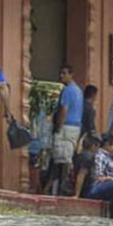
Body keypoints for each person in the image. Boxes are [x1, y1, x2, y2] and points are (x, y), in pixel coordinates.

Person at [74, 134, 113, 219]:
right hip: (92, 189)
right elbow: (83, 175)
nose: (98, 150)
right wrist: (76, 195)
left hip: (96, 186)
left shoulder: (93, 156)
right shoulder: (91, 157)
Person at [48, 65, 83, 195]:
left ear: (71, 74)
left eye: (64, 73)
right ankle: (63, 187)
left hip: (66, 126)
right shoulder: (78, 91)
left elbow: (64, 109)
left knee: (61, 159)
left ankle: (62, 187)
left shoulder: (68, 90)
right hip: (75, 128)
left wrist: (58, 126)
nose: (61, 76)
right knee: (67, 157)